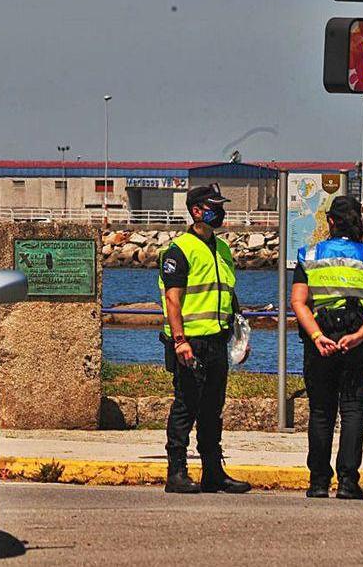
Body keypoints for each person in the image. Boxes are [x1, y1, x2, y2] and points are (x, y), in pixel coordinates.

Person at [290, 196, 363, 500]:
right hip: (358, 342)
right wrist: (360, 335)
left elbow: (298, 301)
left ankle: (318, 481)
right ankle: (348, 482)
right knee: (353, 409)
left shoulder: (309, 255)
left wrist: (316, 336)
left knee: (321, 410)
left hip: (320, 338)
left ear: (330, 222)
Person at [157, 184, 252, 494]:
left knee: (213, 408)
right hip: (190, 342)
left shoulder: (222, 249)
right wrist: (180, 340)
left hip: (217, 341)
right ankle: (177, 472)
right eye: (214, 206)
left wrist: (240, 337)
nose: (220, 212)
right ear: (196, 211)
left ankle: (213, 471)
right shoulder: (178, 250)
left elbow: (228, 294)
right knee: (186, 406)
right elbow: (173, 300)